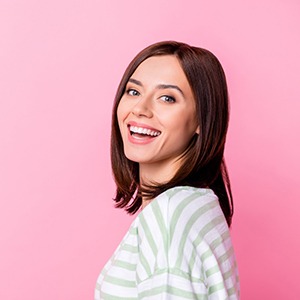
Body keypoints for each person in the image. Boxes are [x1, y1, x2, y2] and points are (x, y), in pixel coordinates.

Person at [95, 41, 240, 299]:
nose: (139, 109)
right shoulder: (197, 205)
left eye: (167, 98)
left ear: (201, 120)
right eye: (133, 92)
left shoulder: (170, 217)